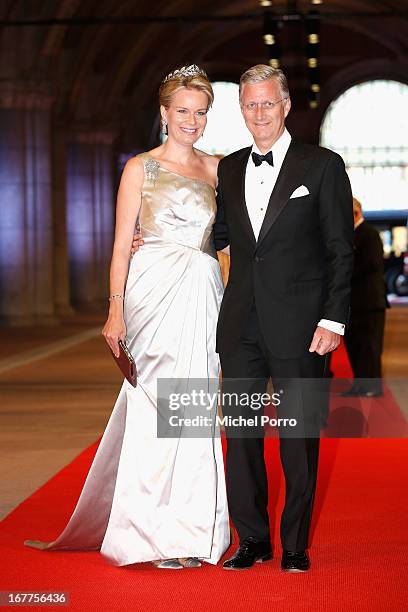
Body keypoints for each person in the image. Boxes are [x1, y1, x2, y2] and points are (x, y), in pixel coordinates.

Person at [24, 64, 230, 569]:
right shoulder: (140, 167)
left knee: (196, 407)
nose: (191, 121)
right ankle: (149, 532)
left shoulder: (219, 167)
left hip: (203, 290)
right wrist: (114, 310)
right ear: (163, 113)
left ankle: (193, 530)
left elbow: (231, 239)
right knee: (157, 404)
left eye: (200, 112)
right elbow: (120, 246)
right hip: (151, 291)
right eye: (182, 111)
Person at [213, 65, 354, 572]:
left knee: (298, 440)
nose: (259, 113)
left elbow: (342, 250)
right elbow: (219, 237)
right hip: (240, 327)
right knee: (242, 438)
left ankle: (294, 544)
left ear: (287, 105)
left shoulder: (322, 166)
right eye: (250, 104)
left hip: (301, 327)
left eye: (268, 103)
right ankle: (252, 539)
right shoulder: (229, 168)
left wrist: (333, 320)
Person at [342, 197, 388, 397]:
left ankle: (371, 387)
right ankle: (360, 385)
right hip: (356, 304)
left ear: (356, 213)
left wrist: (342, 273)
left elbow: (370, 265)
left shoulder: (369, 234)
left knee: (369, 347)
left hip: (369, 303)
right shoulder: (353, 235)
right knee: (356, 346)